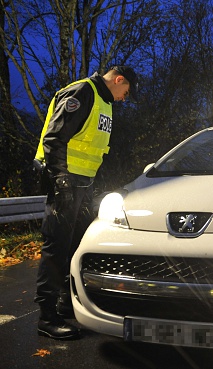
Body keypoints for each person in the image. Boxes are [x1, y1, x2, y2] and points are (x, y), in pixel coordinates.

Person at [33, 66, 138, 339]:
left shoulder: (105, 103)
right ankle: (47, 318)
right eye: (126, 92)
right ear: (118, 80)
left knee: (76, 245)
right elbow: (54, 138)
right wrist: (61, 181)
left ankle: (64, 303)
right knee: (56, 247)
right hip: (65, 182)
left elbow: (94, 148)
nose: (124, 99)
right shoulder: (83, 92)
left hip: (83, 184)